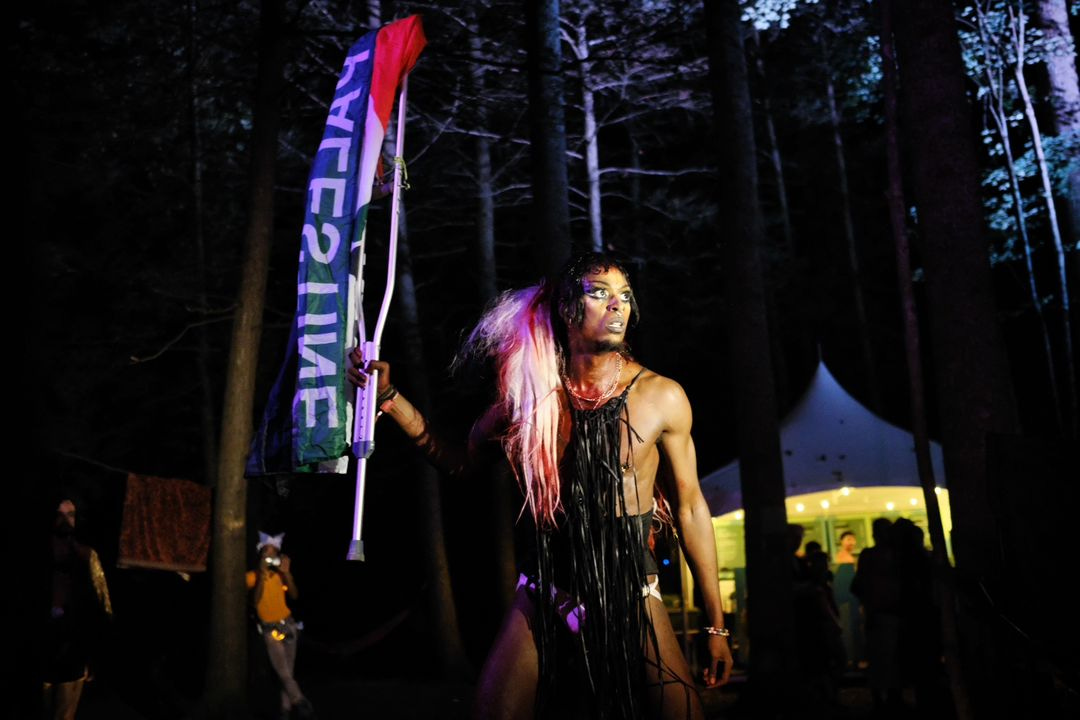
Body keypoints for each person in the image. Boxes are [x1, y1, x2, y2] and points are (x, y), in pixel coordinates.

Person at [350, 252, 732, 719]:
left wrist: (716, 627)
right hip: (546, 588)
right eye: (600, 293)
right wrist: (389, 399)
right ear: (567, 309)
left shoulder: (662, 396)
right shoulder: (527, 400)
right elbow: (459, 462)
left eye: (625, 296)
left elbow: (691, 508)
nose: (618, 306)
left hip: (630, 589)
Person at [42, 497, 113, 720]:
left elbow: (102, 603)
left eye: (70, 515)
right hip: (43, 643)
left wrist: (96, 651)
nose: (65, 520)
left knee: (65, 713)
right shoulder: (41, 553)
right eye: (60, 514)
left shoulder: (86, 555)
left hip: (74, 645)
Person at [246, 532, 314, 720]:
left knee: (288, 672)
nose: (271, 557)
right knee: (283, 672)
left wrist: (287, 573)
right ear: (261, 555)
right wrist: (260, 574)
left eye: (274, 553)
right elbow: (255, 600)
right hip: (270, 629)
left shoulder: (280, 576)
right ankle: (301, 702)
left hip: (289, 625)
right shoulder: (252, 576)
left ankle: (285, 710)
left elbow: (294, 595)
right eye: (267, 553)